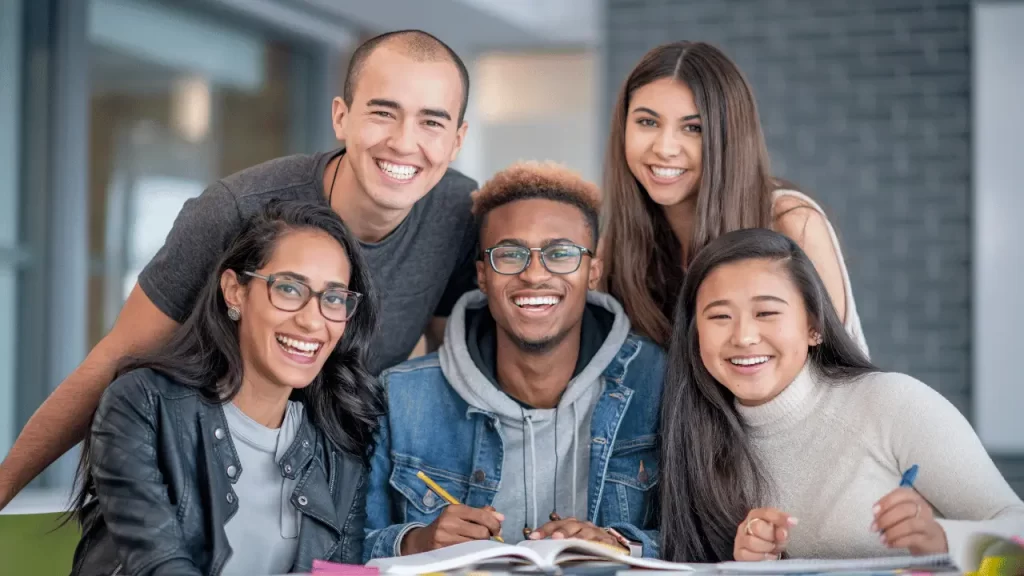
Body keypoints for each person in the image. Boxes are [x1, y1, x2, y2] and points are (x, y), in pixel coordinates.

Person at [0, 29, 478, 511]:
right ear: (341, 117)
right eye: (382, 112)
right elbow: (115, 362)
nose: (403, 142)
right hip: (195, 489)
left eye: (431, 122)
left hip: (322, 499)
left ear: (457, 140)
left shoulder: (458, 214)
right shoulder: (235, 211)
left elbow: (441, 374)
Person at [658, 228, 1024, 564]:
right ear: (695, 337)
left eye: (766, 312)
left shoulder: (890, 403)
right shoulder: (702, 442)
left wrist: (946, 538)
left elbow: (1016, 525)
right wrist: (753, 566)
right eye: (720, 317)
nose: (744, 337)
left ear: (814, 326)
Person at [363, 162, 664, 561]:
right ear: (483, 275)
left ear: (593, 271)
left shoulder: (660, 381)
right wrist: (415, 543)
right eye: (510, 254)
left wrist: (623, 546)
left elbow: (705, 537)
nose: (534, 274)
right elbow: (344, 547)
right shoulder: (402, 396)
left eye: (560, 253)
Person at [69, 201, 383, 575]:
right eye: (288, 289)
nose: (312, 321)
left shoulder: (340, 447)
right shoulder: (142, 405)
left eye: (333, 298)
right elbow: (157, 566)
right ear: (235, 291)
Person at [601, 41, 868, 355]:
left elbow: (838, 369)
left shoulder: (790, 222)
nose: (665, 147)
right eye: (647, 122)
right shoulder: (617, 244)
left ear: (728, 137)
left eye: (693, 128)